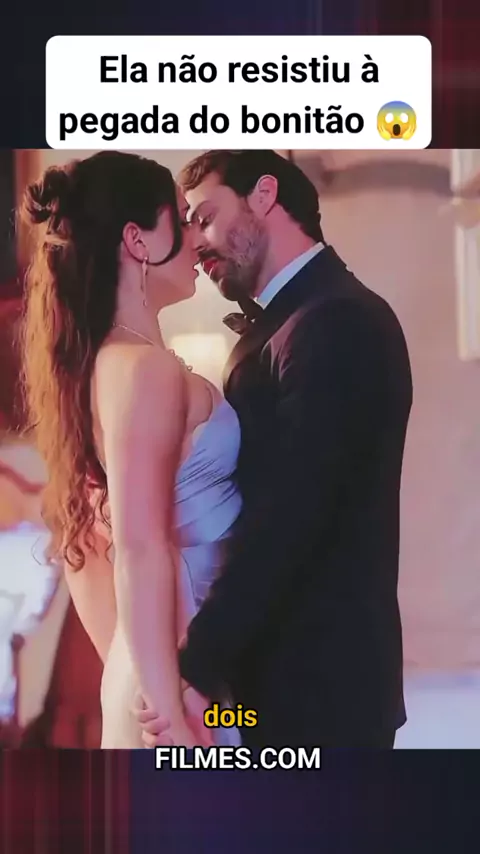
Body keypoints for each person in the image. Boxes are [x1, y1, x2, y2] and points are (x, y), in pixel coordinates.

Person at [136, 150, 413, 749]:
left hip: (322, 691)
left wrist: (199, 661)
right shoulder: (290, 322)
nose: (196, 243)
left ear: (264, 195)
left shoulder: (336, 318)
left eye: (205, 218)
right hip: (271, 685)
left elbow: (294, 512)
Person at [20, 151, 242, 748]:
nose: (196, 238)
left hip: (164, 665)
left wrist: (135, 671)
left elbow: (87, 544)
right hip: (180, 680)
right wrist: (170, 704)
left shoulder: (105, 365)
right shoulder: (142, 370)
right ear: (137, 241)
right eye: (181, 220)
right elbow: (142, 547)